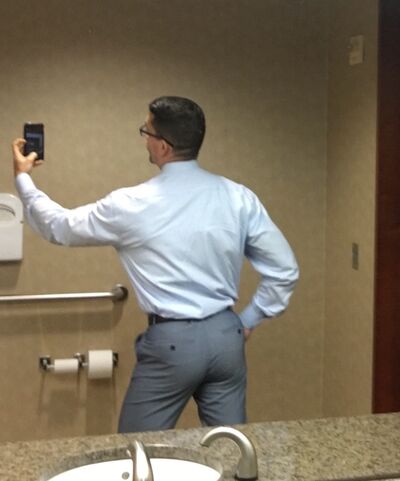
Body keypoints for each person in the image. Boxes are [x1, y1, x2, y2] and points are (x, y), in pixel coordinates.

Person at [12, 96, 299, 432]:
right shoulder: (238, 197)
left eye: (146, 132)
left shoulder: (131, 203)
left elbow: (59, 226)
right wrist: (248, 320)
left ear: (163, 146)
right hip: (226, 337)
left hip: (172, 343)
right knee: (231, 446)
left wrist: (23, 179)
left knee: (137, 448)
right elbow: (284, 270)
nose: (145, 139)